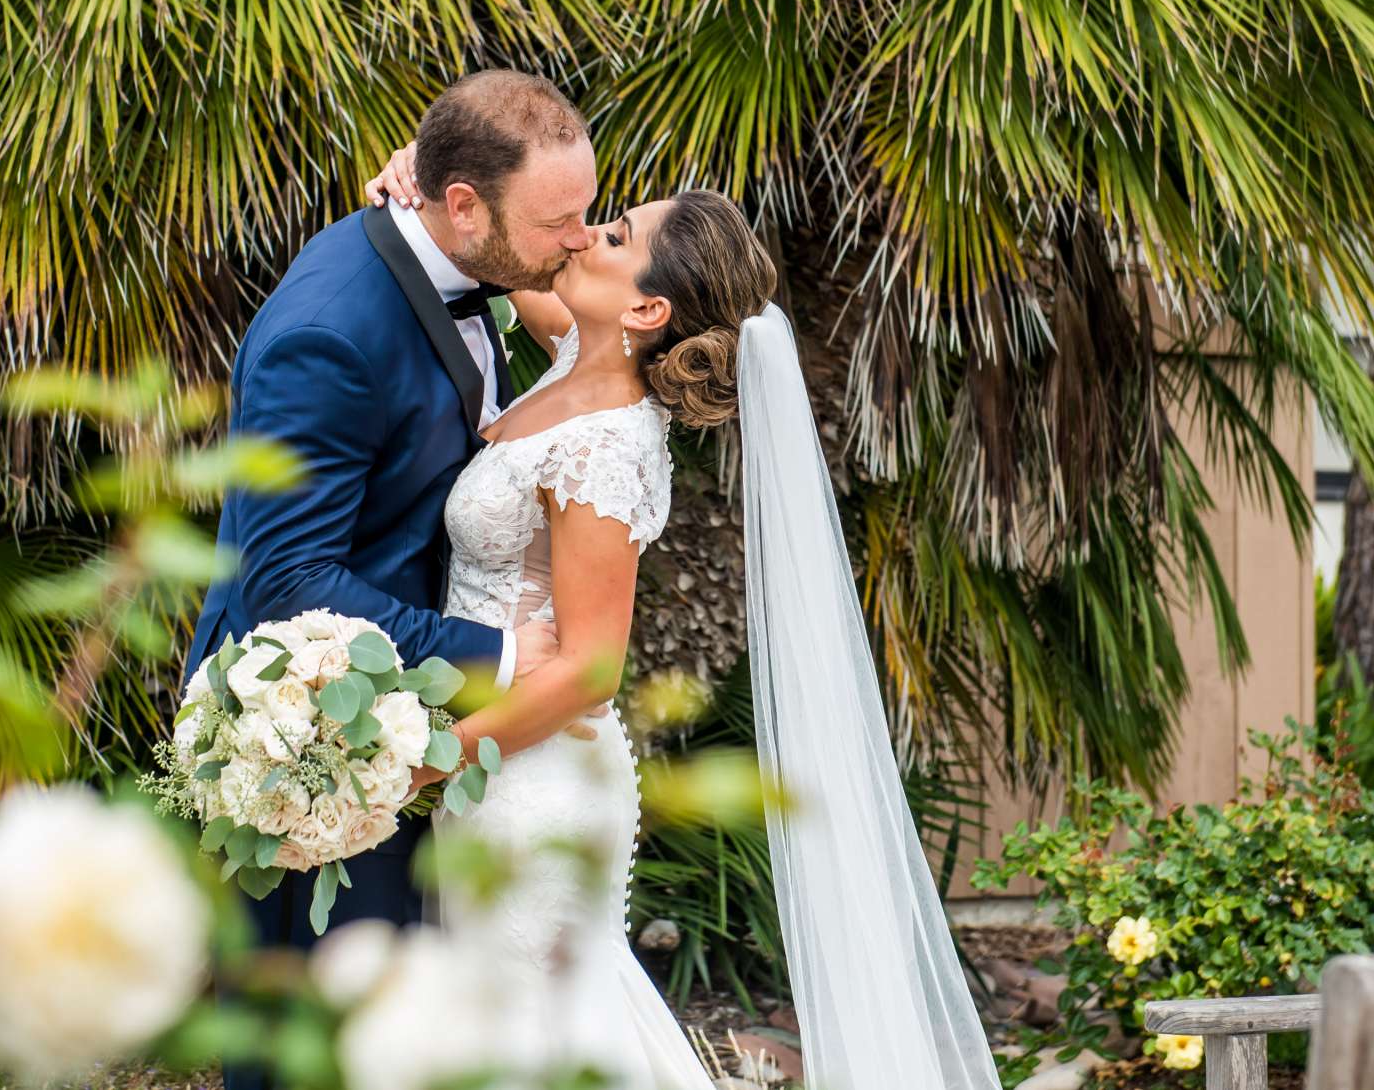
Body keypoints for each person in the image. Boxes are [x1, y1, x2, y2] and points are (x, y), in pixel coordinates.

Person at [361, 148, 1002, 1090]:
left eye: (614, 235)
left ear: (649, 311)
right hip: (497, 766)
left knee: (535, 1041)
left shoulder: (608, 450)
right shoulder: (578, 356)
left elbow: (590, 671)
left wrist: (423, 761)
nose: (585, 234)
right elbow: (508, 266)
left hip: (530, 781)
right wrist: (418, 191)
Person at [185, 70, 597, 1090]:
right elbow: (288, 583)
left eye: (590, 215)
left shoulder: (465, 258)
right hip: (316, 741)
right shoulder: (332, 334)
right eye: (562, 221)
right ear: (462, 205)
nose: (582, 240)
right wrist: (500, 654)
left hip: (413, 737)